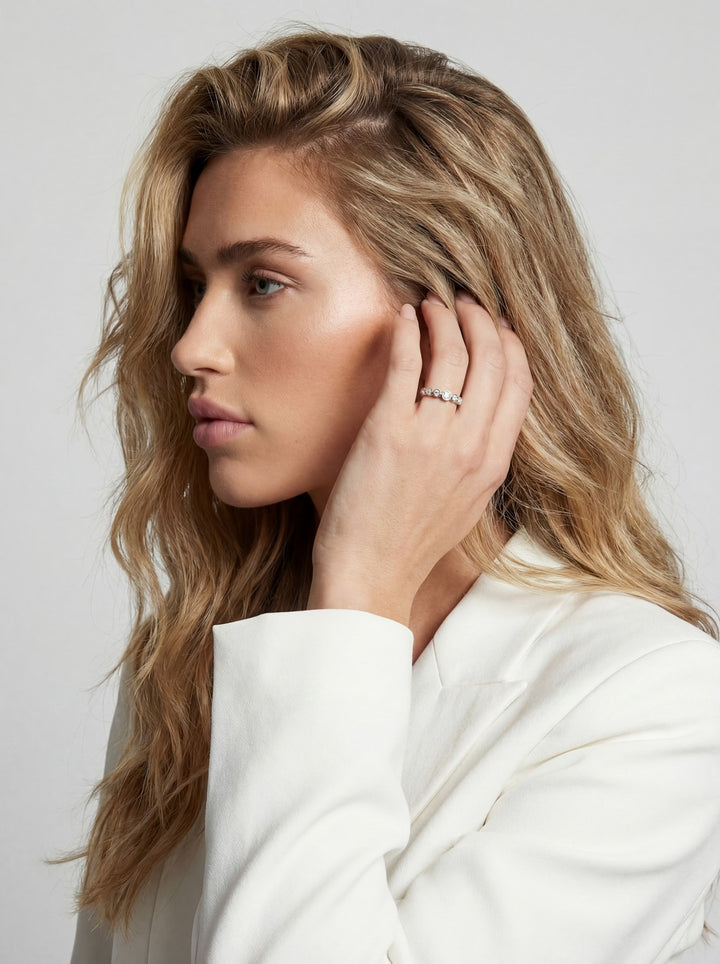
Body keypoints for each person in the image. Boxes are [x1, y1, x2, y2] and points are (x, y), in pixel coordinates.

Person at [67, 27, 720, 964]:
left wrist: (361, 585)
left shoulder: (646, 700)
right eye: (192, 285)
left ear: (452, 320)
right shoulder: (189, 664)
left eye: (262, 282)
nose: (191, 345)